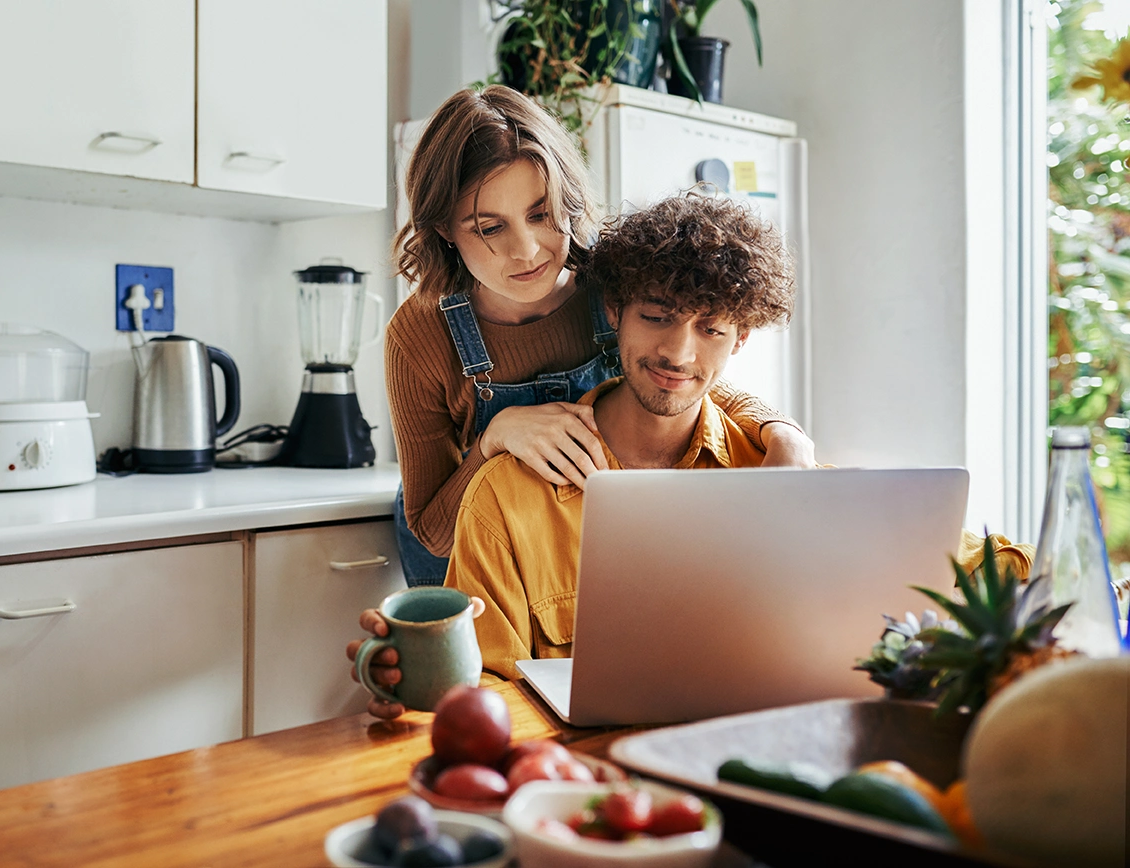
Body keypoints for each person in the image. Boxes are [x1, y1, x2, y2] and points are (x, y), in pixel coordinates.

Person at [350, 192, 1035, 716]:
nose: (679, 354)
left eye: (711, 328)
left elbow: (999, 573)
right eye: (656, 317)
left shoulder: (778, 469)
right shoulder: (508, 495)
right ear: (612, 311)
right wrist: (417, 681)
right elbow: (481, 695)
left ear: (741, 340)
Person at [386, 85, 816, 589]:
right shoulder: (419, 336)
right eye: (489, 228)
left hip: (580, 535)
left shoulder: (607, 283)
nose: (527, 251)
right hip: (467, 547)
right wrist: (495, 437)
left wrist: (781, 431)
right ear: (443, 229)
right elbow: (433, 531)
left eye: (541, 214)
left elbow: (682, 372)